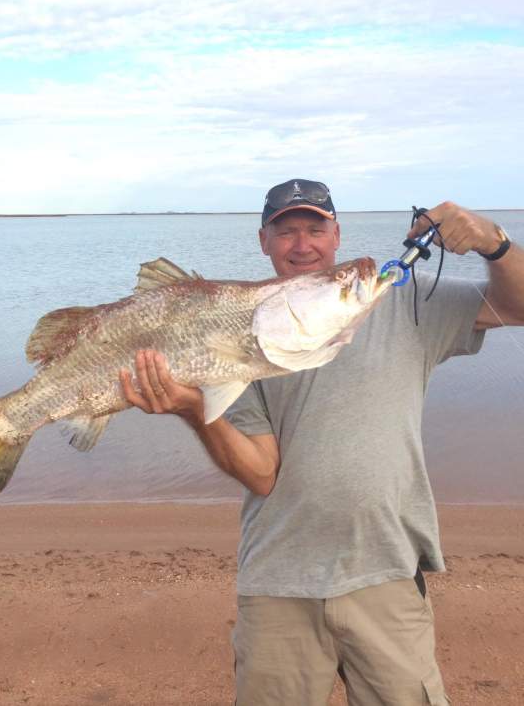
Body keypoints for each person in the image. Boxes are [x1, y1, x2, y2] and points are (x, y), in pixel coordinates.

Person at [119, 179, 524, 706]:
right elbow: (262, 472)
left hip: (386, 573)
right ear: (264, 242)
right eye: (285, 232)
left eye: (315, 228)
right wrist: (197, 412)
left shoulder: (408, 302)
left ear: (337, 235)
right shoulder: (236, 335)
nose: (302, 244)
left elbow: (517, 308)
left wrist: (496, 243)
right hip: (279, 581)